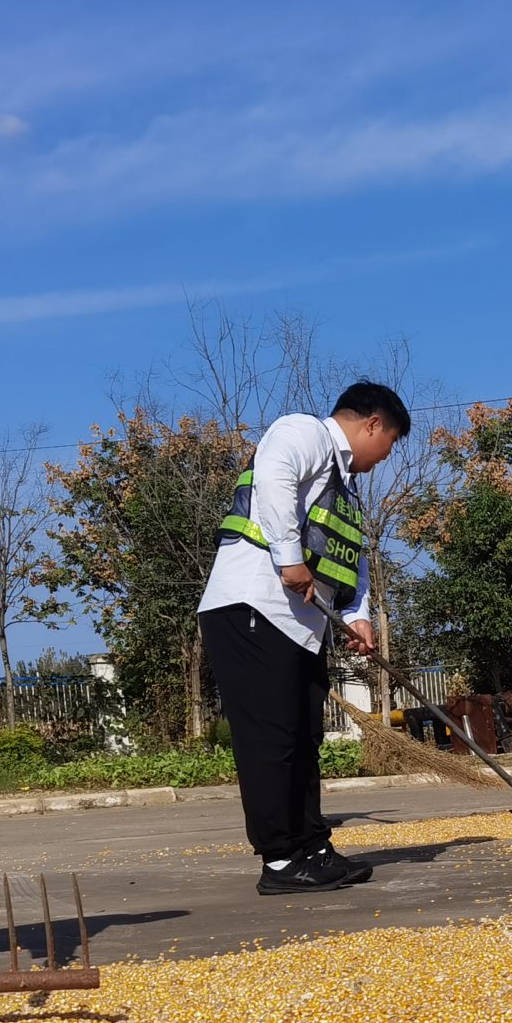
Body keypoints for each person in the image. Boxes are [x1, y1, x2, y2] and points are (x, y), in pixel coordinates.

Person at [198, 381, 410, 894]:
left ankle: (312, 848)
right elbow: (273, 478)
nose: (385, 458)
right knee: (271, 741)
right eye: (390, 444)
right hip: (253, 607)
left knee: (303, 740)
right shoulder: (303, 433)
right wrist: (289, 559)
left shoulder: (344, 486)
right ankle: (279, 861)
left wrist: (357, 615)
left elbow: (351, 559)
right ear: (373, 423)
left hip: (302, 626)